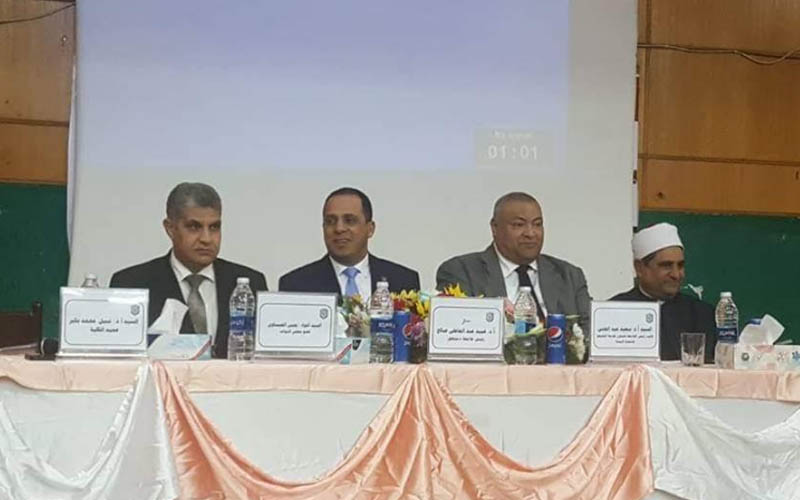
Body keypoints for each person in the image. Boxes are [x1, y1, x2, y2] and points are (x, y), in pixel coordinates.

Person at [110, 182, 267, 358]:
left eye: (214, 227)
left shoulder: (251, 282)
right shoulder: (131, 283)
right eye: (194, 227)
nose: (206, 239)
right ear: (170, 228)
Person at [436, 192, 591, 332]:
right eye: (519, 225)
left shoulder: (569, 276)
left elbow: (590, 332)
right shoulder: (462, 272)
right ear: (494, 228)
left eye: (537, 224)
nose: (530, 233)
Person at [279, 187, 420, 299]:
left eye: (349, 220)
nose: (339, 228)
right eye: (330, 221)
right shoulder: (295, 285)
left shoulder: (403, 281)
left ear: (370, 229)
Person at [610, 222, 716, 363]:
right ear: (639, 268)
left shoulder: (703, 314)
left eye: (680, 265)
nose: (676, 274)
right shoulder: (614, 312)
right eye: (666, 266)